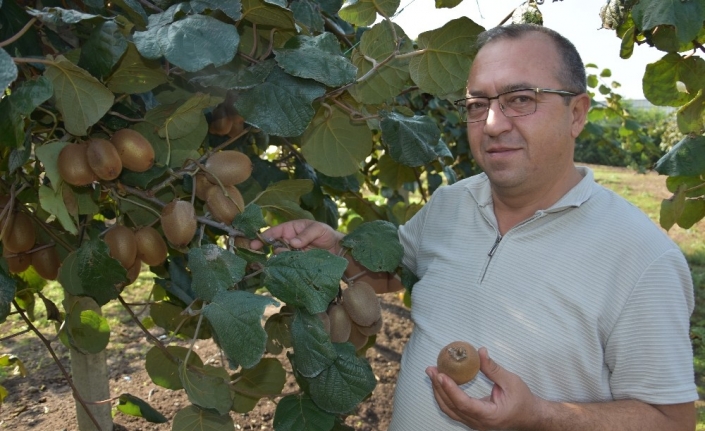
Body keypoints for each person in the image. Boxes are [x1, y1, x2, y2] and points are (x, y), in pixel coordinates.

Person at [252, 24, 697, 431]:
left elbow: (670, 421)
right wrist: (338, 253)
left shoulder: (642, 259)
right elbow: (395, 273)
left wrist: (538, 416)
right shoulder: (450, 203)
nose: (492, 124)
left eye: (520, 99)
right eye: (477, 104)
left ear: (577, 113)